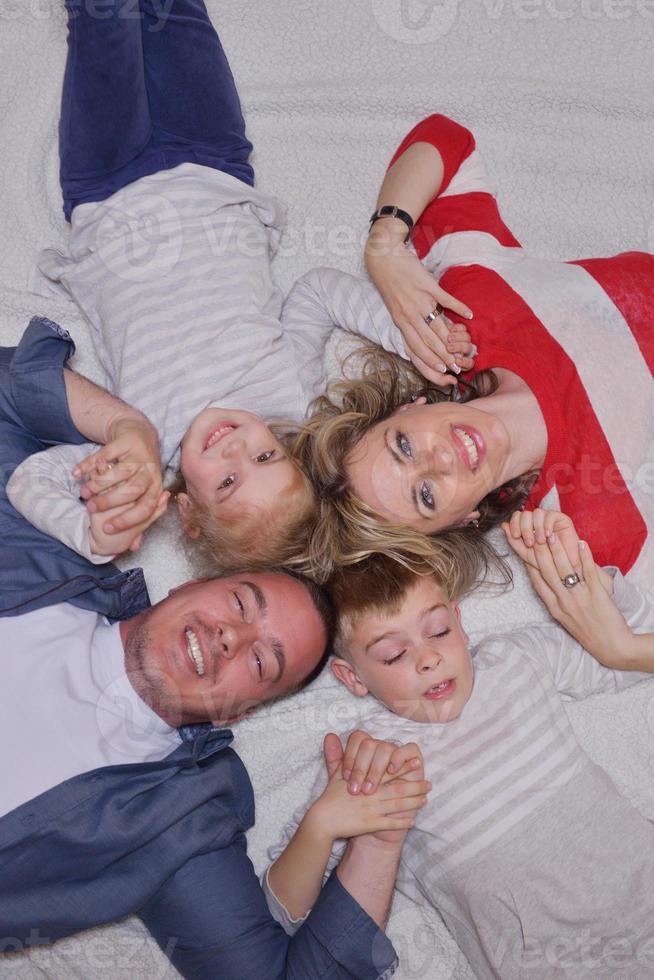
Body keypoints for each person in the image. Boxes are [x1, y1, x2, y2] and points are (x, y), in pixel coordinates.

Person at [0, 316, 407, 979]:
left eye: (260, 662)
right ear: (194, 585)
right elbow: (10, 391)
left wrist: (378, 838)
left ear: (238, 714)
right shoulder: (51, 539)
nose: (231, 637)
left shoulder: (173, 826)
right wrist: (130, 431)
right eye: (241, 605)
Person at [9, 1, 474, 575]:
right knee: (179, 18)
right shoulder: (287, 397)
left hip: (107, 189)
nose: (235, 447)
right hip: (215, 167)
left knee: (105, 23)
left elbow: (31, 477)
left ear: (187, 514)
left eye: (229, 480)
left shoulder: (143, 447)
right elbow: (318, 293)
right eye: (265, 455)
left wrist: (90, 530)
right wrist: (404, 333)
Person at [262, 509, 654, 979]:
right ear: (352, 677)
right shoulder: (371, 761)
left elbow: (628, 651)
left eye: (439, 631)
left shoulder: (514, 659)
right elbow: (284, 914)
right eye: (394, 654)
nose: (428, 658)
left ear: (461, 623)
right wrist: (321, 825)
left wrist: (580, 576)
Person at [282, 114, 653, 582]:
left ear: (407, 408)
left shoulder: (467, 307)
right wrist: (619, 648)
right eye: (427, 496)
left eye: (403, 445)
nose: (439, 460)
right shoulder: (595, 531)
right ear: (462, 522)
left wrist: (385, 242)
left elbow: (447, 141)